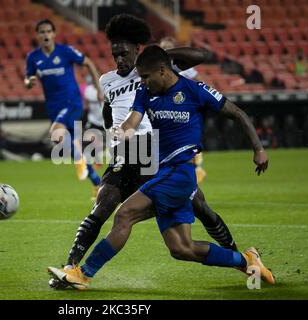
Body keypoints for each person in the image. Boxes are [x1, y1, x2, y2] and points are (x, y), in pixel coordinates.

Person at [48, 45, 275, 290]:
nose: (142, 82)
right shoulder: (145, 93)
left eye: (146, 77)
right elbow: (131, 123)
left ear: (163, 70)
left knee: (125, 214)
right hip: (165, 171)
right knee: (181, 248)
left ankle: (83, 274)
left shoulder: (195, 90)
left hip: (180, 173)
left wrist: (258, 149)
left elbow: (238, 113)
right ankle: (246, 260)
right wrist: (118, 133)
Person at [25, 19, 102, 197]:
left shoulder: (65, 51)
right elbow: (28, 79)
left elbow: (88, 62)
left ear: (53, 34)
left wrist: (99, 89)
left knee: (56, 132)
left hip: (72, 102)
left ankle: (79, 160)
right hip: (53, 107)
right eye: (41, 32)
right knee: (69, 144)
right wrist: (29, 82)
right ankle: (98, 184)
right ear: (37, 35)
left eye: (48, 31)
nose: (45, 35)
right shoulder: (33, 57)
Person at [159, 36, 207, 182]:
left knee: (184, 140)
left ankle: (195, 167)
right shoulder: (155, 67)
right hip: (164, 109)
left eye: (168, 47)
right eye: (163, 47)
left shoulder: (183, 67)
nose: (166, 50)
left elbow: (200, 82)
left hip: (182, 109)